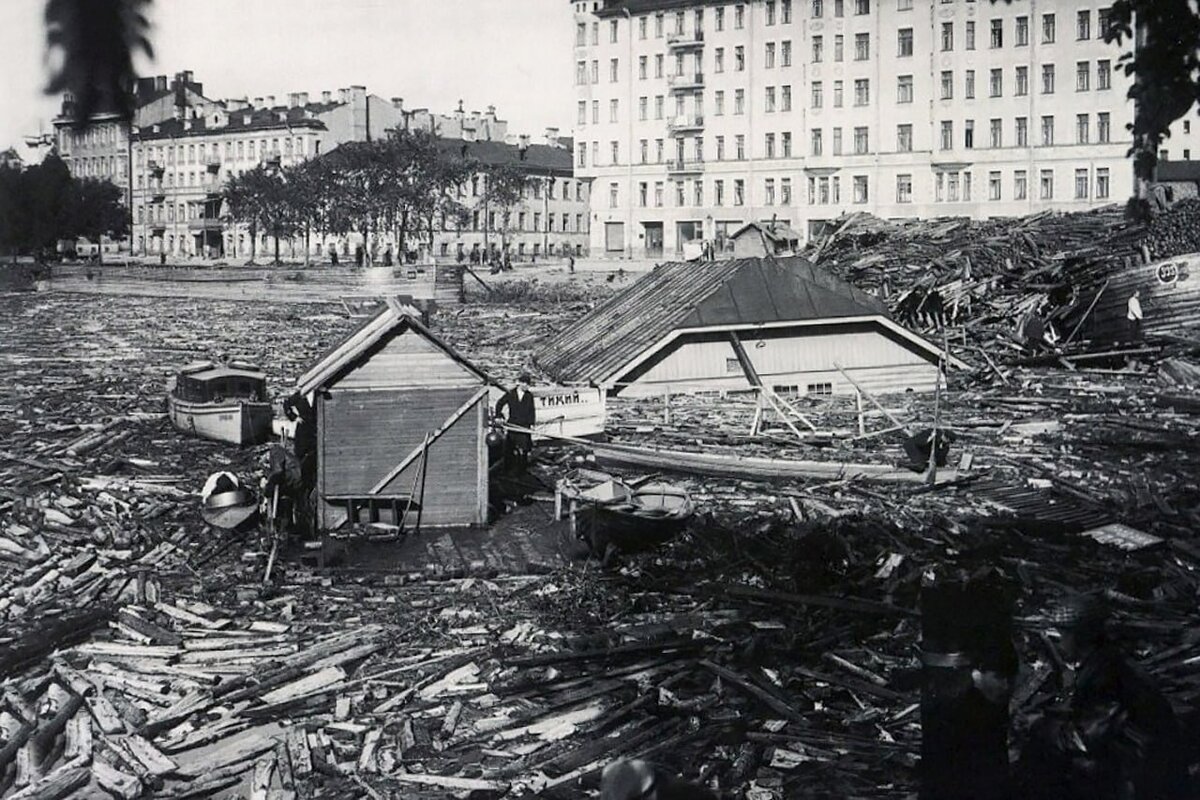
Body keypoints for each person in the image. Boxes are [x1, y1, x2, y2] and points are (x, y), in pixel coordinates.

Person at [1018, 593, 1187, 800]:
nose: (1059, 646)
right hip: (1146, 763)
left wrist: (1039, 725)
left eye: (1061, 638)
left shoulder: (1107, 674)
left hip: (1143, 775)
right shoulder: (1106, 661)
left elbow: (1083, 739)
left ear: (1080, 636)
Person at [494, 372, 536, 474]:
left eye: (528, 384)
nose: (526, 386)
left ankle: (522, 471)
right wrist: (498, 416)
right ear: (519, 383)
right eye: (524, 383)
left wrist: (531, 424)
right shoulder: (511, 393)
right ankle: (507, 470)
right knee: (509, 449)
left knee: (524, 449)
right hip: (513, 424)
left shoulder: (529, 396)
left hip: (524, 426)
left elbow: (532, 410)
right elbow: (499, 404)